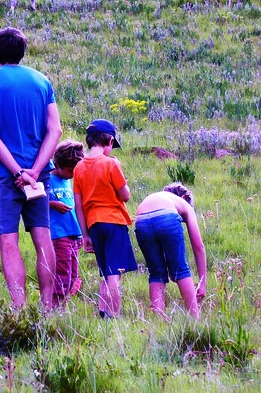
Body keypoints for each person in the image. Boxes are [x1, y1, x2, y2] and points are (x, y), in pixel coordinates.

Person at [0, 27, 62, 309]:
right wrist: (34, 171)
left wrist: (17, 172)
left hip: (4, 176)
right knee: (42, 236)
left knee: (8, 241)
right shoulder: (41, 81)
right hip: (39, 175)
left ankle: (19, 308)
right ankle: (47, 306)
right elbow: (55, 130)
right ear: (23, 52)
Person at [73, 119, 138, 318]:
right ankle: (114, 315)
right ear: (109, 140)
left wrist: (85, 235)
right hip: (114, 222)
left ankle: (103, 312)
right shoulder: (110, 163)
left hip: (93, 225)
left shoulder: (78, 168)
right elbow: (125, 195)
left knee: (104, 271)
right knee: (114, 273)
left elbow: (78, 205)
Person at [134, 183, 207, 319]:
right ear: (184, 197)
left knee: (156, 274)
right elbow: (198, 246)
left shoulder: (158, 197)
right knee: (181, 270)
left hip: (140, 220)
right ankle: (195, 319)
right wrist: (202, 283)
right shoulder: (183, 204)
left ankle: (157, 320)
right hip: (166, 217)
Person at [49, 140, 84, 308]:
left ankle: (62, 306)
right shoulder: (47, 178)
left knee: (73, 274)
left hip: (73, 233)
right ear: (58, 165)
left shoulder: (69, 180)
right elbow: (36, 199)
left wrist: (81, 233)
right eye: (70, 170)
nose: (72, 174)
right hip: (59, 234)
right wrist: (53, 204)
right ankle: (55, 307)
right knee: (62, 272)